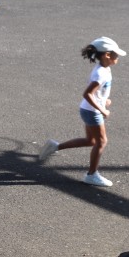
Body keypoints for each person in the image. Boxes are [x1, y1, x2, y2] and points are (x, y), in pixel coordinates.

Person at [39, 37, 125, 187]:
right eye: (116, 54)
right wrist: (102, 109)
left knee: (91, 141)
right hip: (92, 111)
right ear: (107, 55)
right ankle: (91, 175)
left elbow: (98, 93)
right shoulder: (101, 73)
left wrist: (104, 100)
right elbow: (87, 94)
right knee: (101, 142)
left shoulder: (105, 69)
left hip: (87, 109)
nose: (118, 57)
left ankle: (55, 147)